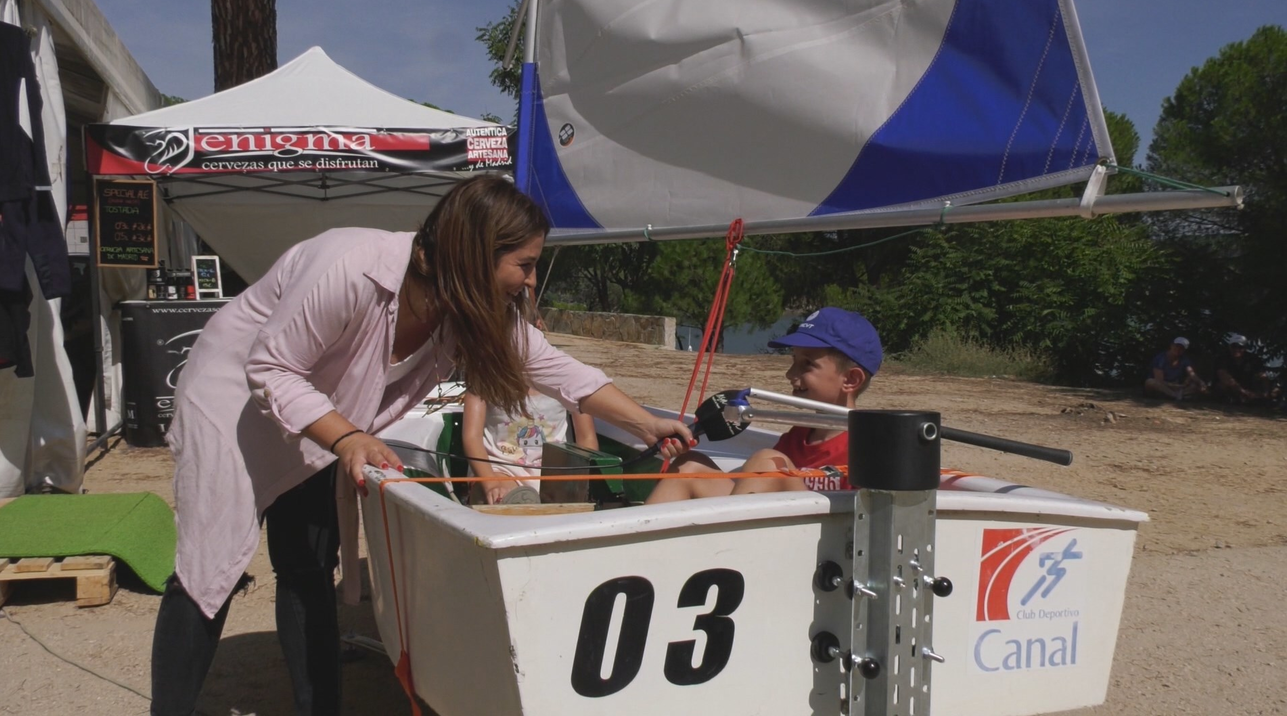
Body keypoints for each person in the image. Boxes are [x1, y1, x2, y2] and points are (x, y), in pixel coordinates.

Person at [149, 176, 692, 716]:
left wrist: (645, 422)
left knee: (308, 565)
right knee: (208, 567)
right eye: (523, 265)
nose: (529, 282)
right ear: (478, 254)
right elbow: (271, 367)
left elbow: (552, 366)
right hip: (235, 405)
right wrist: (348, 436)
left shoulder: (470, 305)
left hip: (324, 419)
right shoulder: (350, 264)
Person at [645, 307, 881, 504]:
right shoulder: (796, 438)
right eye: (793, 361)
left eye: (806, 364)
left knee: (768, 461)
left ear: (851, 380)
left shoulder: (868, 446)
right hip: (781, 530)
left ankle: (723, 552)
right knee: (689, 465)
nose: (790, 374)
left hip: (822, 547)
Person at [463, 387, 599, 504]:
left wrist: (583, 483)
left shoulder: (568, 381)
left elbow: (586, 437)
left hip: (554, 471)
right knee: (502, 496)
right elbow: (472, 437)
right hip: (501, 468)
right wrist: (491, 484)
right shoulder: (483, 381)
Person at [1213, 333, 1277, 405]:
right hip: (1232, 389)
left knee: (1274, 390)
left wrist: (1266, 392)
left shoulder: (1253, 359)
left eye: (1240, 347)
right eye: (1234, 346)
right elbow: (1224, 376)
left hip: (1248, 387)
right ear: (1229, 347)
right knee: (1222, 385)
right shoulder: (1222, 358)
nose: (1237, 349)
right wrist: (1242, 391)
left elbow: (1262, 376)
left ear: (1245, 348)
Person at [1143, 337, 1206, 401]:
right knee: (1150, 382)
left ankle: (1176, 395)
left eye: (1181, 348)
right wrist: (1177, 386)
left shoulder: (1184, 359)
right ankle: (1176, 396)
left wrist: (1200, 382)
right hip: (1163, 386)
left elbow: (1191, 373)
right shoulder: (1160, 358)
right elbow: (1159, 381)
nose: (1178, 349)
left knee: (1195, 385)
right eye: (1176, 346)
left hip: (1176, 386)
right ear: (1171, 345)